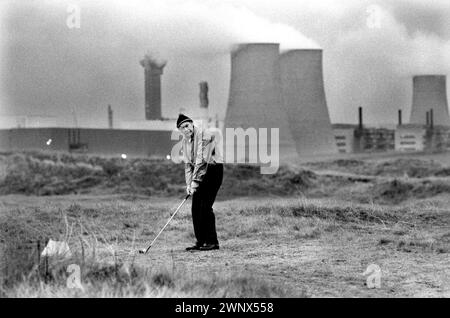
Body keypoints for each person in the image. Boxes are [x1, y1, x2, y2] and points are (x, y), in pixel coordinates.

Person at [176, 113, 223, 251]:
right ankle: (201, 241)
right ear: (180, 130)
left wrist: (194, 183)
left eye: (187, 126)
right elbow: (187, 165)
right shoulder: (185, 142)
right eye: (182, 128)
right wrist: (189, 185)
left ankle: (212, 242)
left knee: (205, 207)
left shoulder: (204, 135)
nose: (186, 129)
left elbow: (201, 161)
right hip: (199, 173)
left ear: (192, 124)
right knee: (195, 208)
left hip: (213, 171)